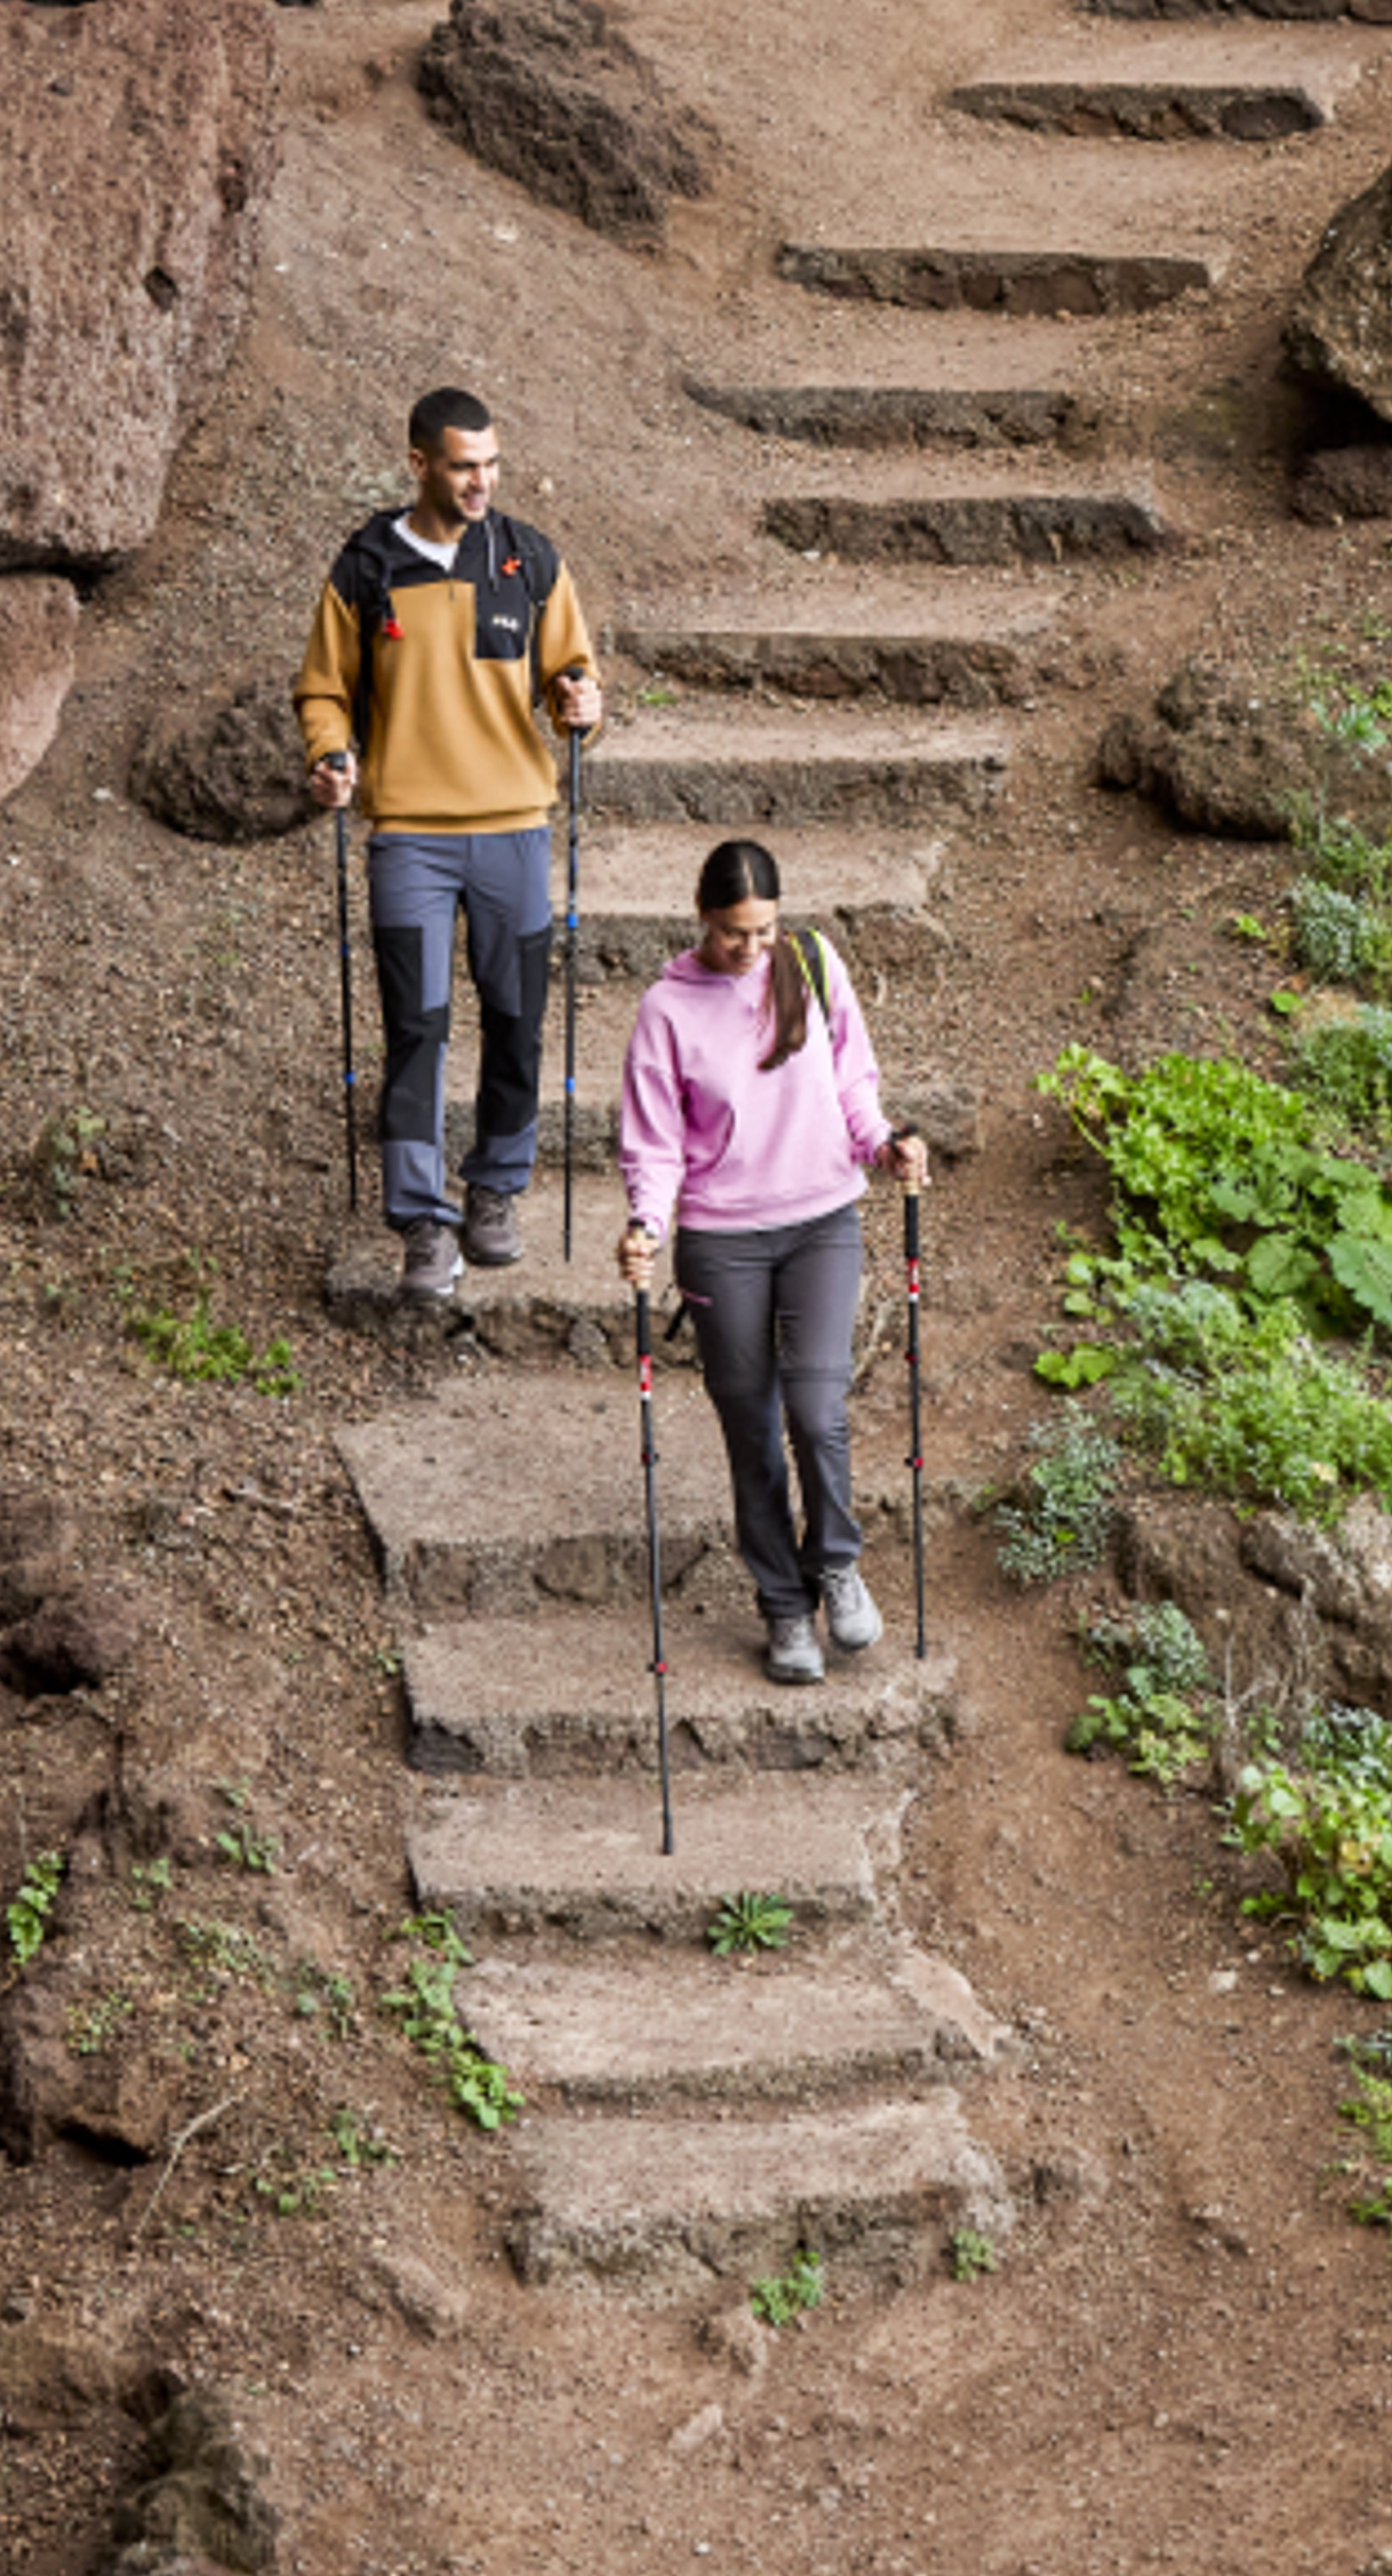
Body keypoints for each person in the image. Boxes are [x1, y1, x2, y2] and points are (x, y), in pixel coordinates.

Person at [295, 387, 604, 1301]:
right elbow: (322, 691)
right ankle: (424, 1222)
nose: (483, 481)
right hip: (409, 842)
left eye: (493, 464)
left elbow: (571, 676)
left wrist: (583, 702)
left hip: (514, 828)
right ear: (420, 463)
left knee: (515, 1021)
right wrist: (330, 753)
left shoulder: (528, 559)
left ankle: (496, 1190)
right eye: (465, 464)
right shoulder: (366, 565)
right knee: (415, 1031)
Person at [616, 838, 929, 1686]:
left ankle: (834, 1561)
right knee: (750, 1425)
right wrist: (646, 1222)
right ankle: (784, 1607)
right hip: (722, 1239)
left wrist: (885, 1141)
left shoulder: (812, 964)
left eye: (762, 931)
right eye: (731, 935)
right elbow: (654, 1143)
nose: (749, 951)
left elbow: (853, 1081)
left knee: (819, 1406)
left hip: (822, 1217)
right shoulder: (667, 1010)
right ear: (702, 919)